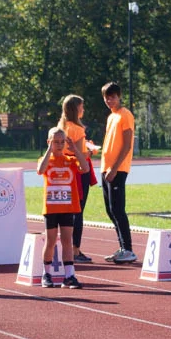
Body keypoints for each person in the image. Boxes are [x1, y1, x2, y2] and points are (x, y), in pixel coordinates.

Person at [37, 127, 85, 289]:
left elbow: (84, 168)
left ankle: (69, 276)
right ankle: (47, 273)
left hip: (67, 207)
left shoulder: (70, 161)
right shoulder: (45, 160)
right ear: (49, 142)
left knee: (67, 241)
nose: (58, 145)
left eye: (61, 142)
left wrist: (75, 150)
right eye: (55, 142)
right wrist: (48, 151)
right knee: (50, 241)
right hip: (51, 208)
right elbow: (40, 170)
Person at [99, 81, 137, 264]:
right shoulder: (111, 116)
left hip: (117, 169)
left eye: (112, 97)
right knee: (110, 209)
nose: (109, 100)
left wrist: (114, 168)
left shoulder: (125, 115)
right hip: (106, 168)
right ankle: (122, 247)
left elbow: (128, 144)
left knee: (118, 209)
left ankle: (128, 248)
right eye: (106, 97)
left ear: (119, 96)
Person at [58, 94, 97, 263]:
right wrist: (91, 151)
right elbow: (81, 154)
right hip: (79, 171)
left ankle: (66, 248)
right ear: (75, 109)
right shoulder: (78, 129)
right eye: (81, 107)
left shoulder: (61, 126)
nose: (83, 110)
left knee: (67, 210)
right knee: (78, 210)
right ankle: (75, 249)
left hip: (64, 171)